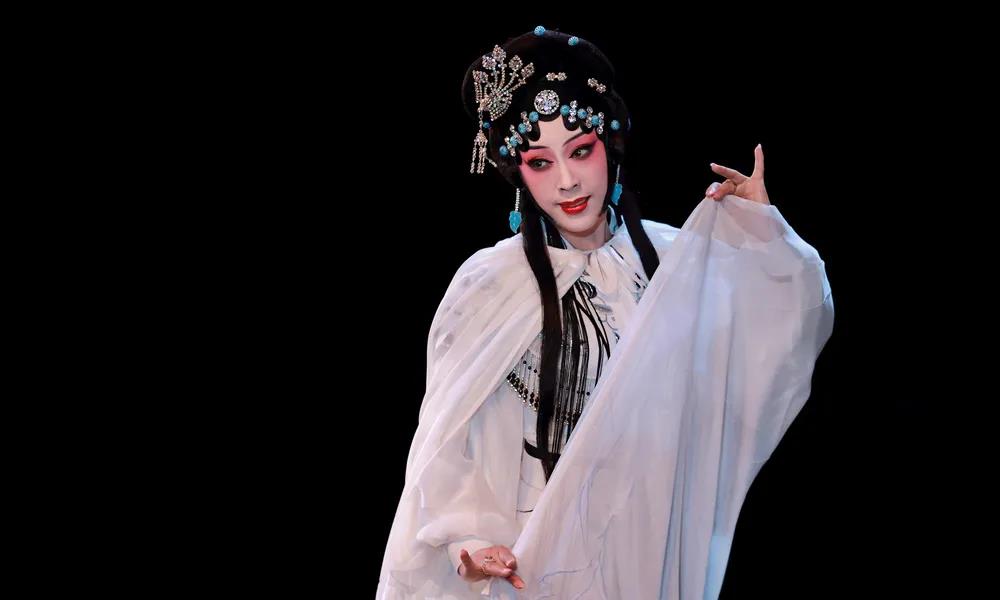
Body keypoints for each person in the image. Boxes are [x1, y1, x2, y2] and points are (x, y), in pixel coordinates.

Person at [377, 26, 834, 599]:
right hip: (532, 556)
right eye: (540, 162)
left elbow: (781, 341)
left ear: (609, 145)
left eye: (580, 151)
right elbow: (449, 441)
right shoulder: (491, 285)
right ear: (518, 173)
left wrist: (765, 234)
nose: (567, 180)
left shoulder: (675, 261)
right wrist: (467, 543)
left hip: (649, 545)